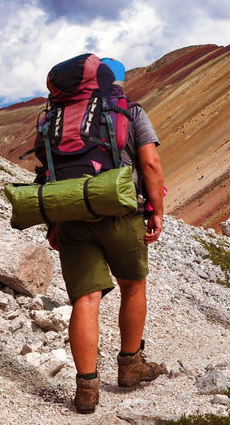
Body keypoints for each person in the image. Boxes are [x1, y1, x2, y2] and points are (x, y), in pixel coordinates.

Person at [45, 57, 166, 414]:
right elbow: (151, 164)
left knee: (85, 299)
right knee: (133, 285)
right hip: (121, 211)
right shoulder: (129, 112)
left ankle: (86, 390)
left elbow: (48, 171)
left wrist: (53, 223)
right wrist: (156, 210)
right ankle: (130, 366)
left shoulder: (55, 117)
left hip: (69, 214)